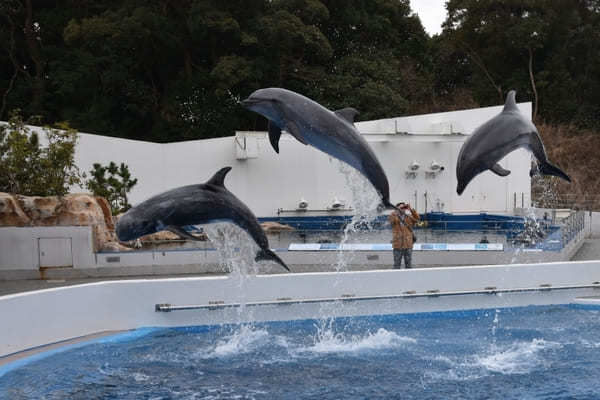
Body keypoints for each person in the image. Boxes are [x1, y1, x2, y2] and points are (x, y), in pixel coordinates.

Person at [389, 202, 419, 269]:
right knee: (396, 265)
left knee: (408, 265)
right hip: (397, 245)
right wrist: (396, 211)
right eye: (401, 208)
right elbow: (391, 220)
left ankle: (409, 278)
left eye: (404, 208)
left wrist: (411, 209)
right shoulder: (393, 216)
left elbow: (417, 219)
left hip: (408, 245)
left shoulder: (408, 217)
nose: (403, 209)